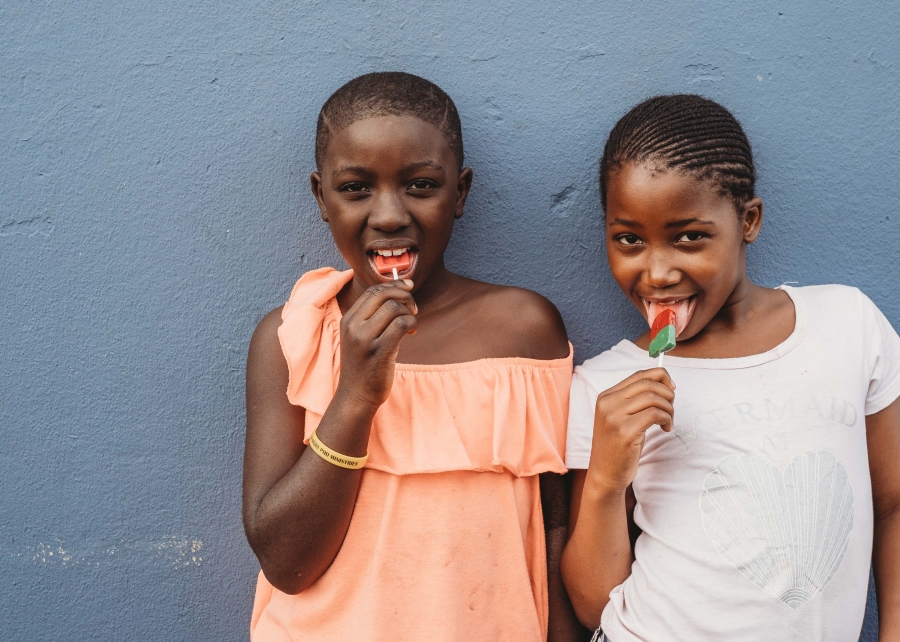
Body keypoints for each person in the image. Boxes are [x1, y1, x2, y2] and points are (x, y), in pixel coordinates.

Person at [243, 72, 580, 641]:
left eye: (421, 185)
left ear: (462, 193)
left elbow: (552, 531)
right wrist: (355, 394)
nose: (390, 215)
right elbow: (285, 562)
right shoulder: (292, 336)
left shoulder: (522, 330)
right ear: (321, 197)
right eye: (355, 188)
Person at [561, 94, 900, 641]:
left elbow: (894, 503)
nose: (658, 272)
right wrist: (604, 477)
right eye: (629, 239)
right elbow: (592, 604)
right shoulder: (604, 384)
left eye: (689, 237)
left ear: (749, 220)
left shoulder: (848, 323)